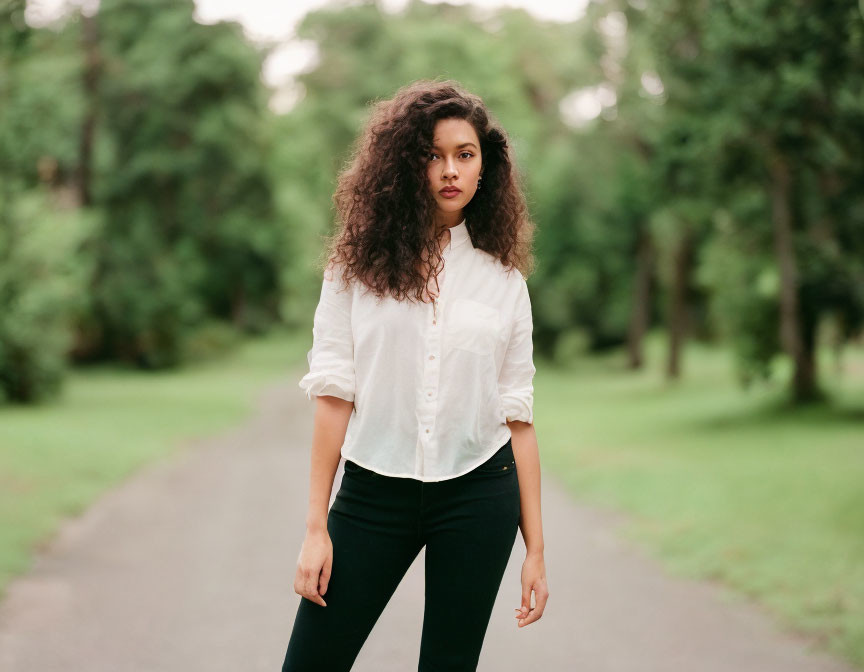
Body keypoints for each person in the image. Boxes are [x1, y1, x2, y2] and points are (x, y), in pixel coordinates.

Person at [281, 79, 549, 672]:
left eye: (465, 154)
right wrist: (316, 529)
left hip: (480, 493)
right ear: (405, 164)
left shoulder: (504, 282)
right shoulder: (353, 269)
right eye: (432, 154)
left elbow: (518, 419)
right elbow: (333, 397)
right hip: (374, 492)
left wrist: (536, 551)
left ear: (486, 168)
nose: (450, 170)